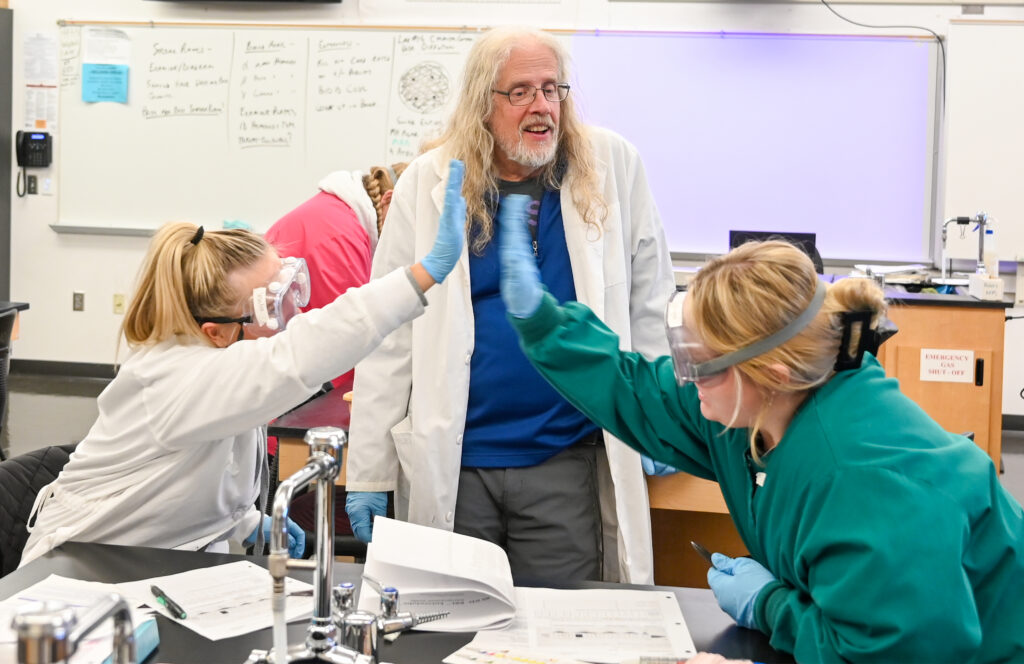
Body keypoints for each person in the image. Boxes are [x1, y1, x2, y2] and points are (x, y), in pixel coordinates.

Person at [495, 203, 1024, 662]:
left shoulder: (863, 476)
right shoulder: (756, 408)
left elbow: (895, 655)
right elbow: (639, 392)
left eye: (700, 363)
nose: (686, 378)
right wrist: (543, 322)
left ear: (771, 371)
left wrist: (770, 605)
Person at [344, 25, 675, 584]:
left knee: (564, 629)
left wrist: (657, 415)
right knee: (454, 623)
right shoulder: (429, 182)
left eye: (552, 89)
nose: (541, 106)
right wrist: (369, 469)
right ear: (483, 104)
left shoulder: (611, 163)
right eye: (520, 91)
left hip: (562, 458)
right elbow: (389, 335)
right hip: (457, 459)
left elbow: (649, 303)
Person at [19, 160, 466, 567]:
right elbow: (297, 357)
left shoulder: (222, 366)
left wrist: (247, 522)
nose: (295, 312)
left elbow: (187, 479)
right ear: (217, 330)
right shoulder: (174, 380)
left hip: (162, 561)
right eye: (274, 304)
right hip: (81, 569)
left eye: (291, 286)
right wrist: (421, 275)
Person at [265, 162, 407, 394]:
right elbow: (350, 344)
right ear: (389, 200)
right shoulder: (339, 238)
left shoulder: (342, 216)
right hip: (287, 396)